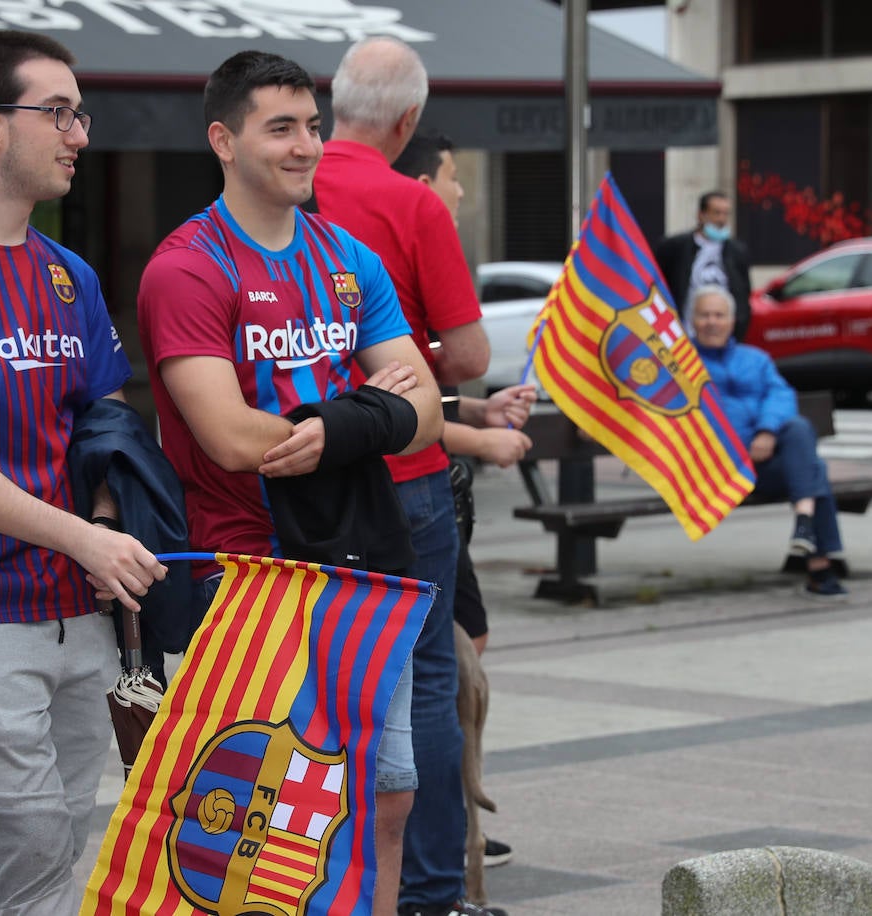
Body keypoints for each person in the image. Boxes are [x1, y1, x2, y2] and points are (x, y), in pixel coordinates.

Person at [137, 50, 443, 916]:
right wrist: (363, 413)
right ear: (223, 140)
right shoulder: (189, 267)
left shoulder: (349, 258)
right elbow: (232, 438)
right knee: (255, 825)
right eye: (282, 128)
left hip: (359, 573)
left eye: (313, 125)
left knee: (385, 800)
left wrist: (334, 427)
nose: (307, 145)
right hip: (246, 581)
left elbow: (423, 414)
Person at [0, 31, 167, 916]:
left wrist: (107, 498)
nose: (78, 134)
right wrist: (81, 535)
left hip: (84, 616)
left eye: (80, 113)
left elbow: (99, 417)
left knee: (54, 856)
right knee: (33, 860)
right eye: (56, 112)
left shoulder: (72, 277)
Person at [313, 37, 506, 916]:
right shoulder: (411, 203)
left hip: (305, 468)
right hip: (408, 467)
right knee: (424, 674)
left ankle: (317, 875)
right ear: (409, 121)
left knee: (320, 677)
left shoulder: (287, 188)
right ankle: (429, 891)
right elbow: (468, 353)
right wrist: (407, 357)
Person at [391, 128, 535, 875]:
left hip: (422, 480)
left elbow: (430, 381)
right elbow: (440, 369)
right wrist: (480, 440)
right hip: (418, 487)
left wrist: (475, 412)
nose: (458, 192)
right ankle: (438, 856)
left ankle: (444, 833)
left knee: (444, 660)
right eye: (451, 176)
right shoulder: (410, 215)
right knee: (439, 666)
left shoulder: (354, 228)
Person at [689, 285, 847, 597]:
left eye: (719, 315)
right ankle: (819, 566)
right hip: (719, 470)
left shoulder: (755, 360)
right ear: (692, 321)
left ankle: (805, 522)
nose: (712, 322)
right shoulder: (680, 365)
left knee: (799, 430)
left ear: (731, 322)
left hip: (763, 464)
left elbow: (781, 395)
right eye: (704, 315)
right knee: (816, 469)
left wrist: (766, 432)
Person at [654, 190, 753, 341]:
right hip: (683, 335)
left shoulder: (737, 251)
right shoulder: (674, 247)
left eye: (726, 214)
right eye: (716, 213)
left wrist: (740, 327)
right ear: (701, 214)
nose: (721, 219)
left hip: (723, 338)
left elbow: (744, 292)